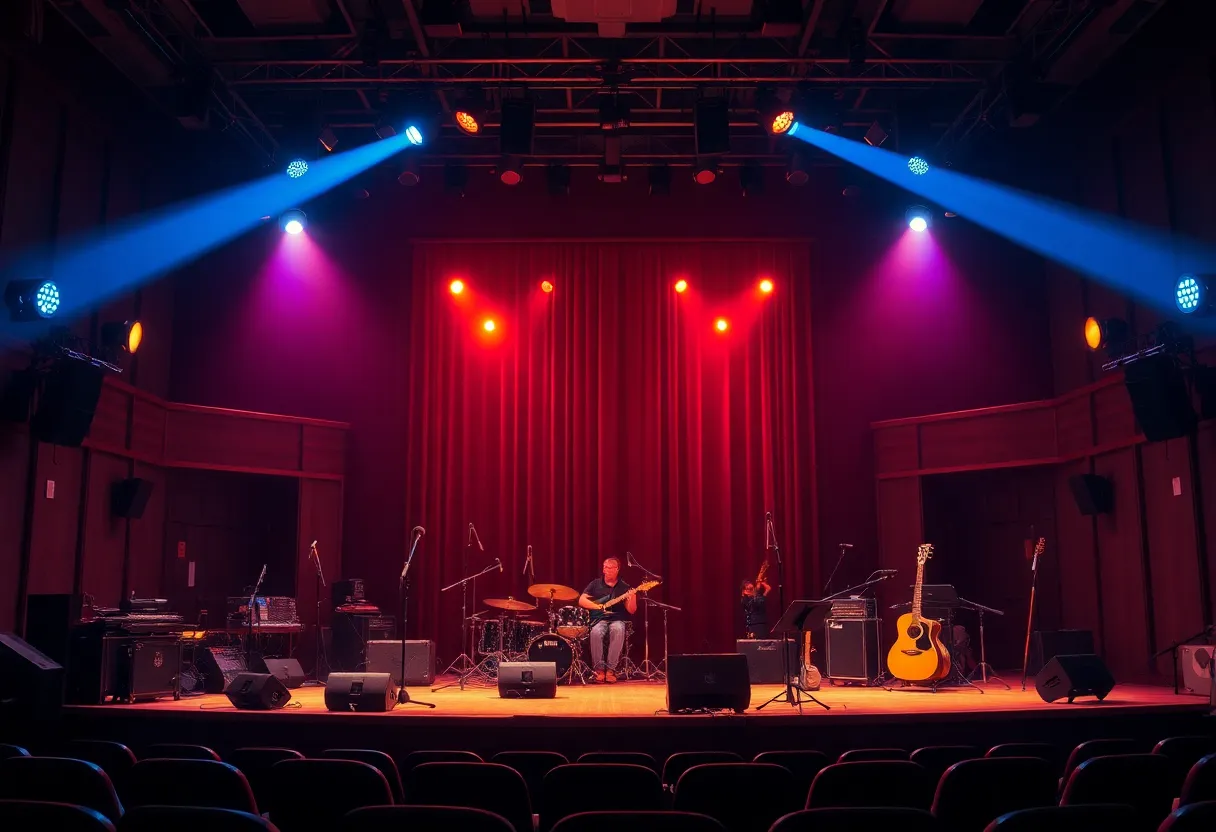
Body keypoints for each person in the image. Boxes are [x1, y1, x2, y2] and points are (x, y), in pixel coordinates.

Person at [579, 557, 638, 683]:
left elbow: (632, 610)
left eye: (611, 568)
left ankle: (611, 670)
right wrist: (598, 607)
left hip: (617, 619)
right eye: (605, 567)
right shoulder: (595, 584)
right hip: (599, 619)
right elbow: (582, 600)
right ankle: (599, 670)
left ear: (617, 569)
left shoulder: (624, 587)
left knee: (618, 629)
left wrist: (632, 597)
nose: (607, 570)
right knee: (595, 631)